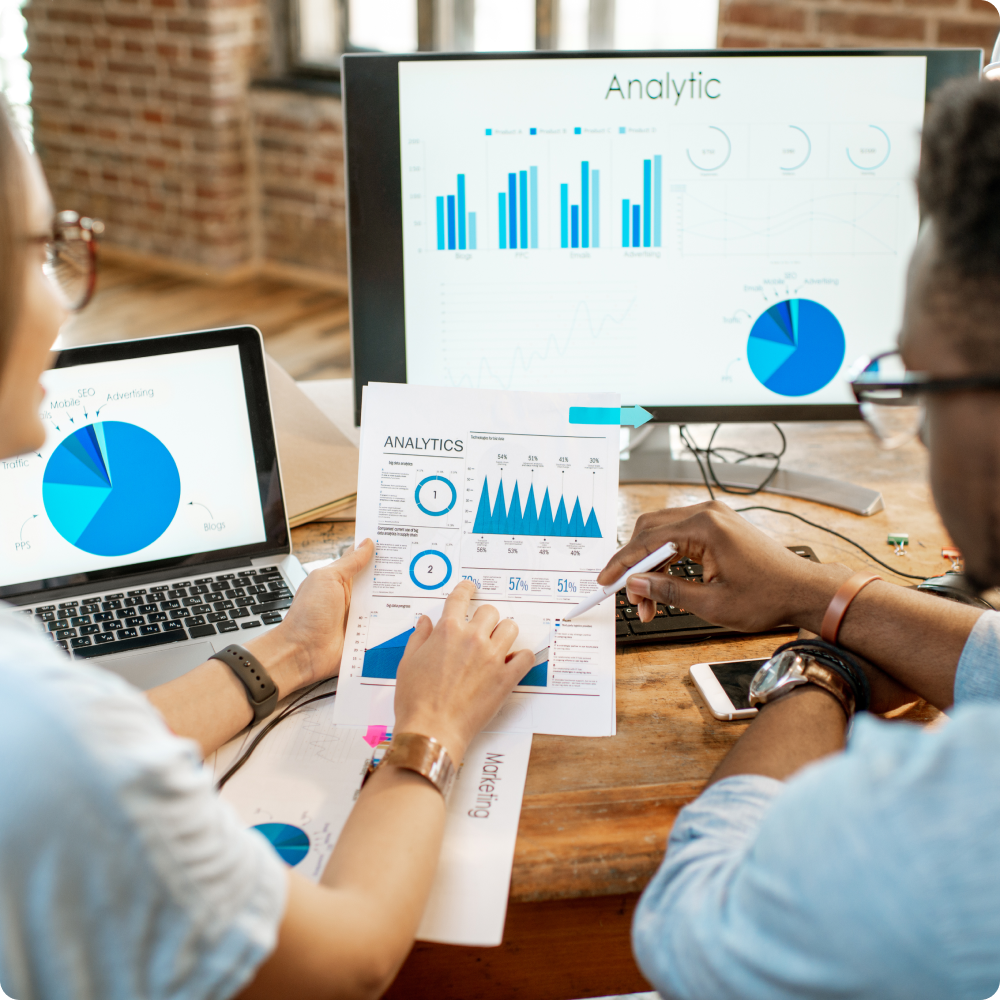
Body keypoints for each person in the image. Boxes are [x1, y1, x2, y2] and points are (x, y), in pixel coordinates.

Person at [0, 95, 535, 1000]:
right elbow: (348, 959)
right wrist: (432, 729)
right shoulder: (38, 722)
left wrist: (288, 653)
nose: (59, 298)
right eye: (43, 252)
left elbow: (92, 750)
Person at [598, 76, 1000, 1000]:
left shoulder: (940, 830)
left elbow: (692, 922)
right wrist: (821, 597)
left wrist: (817, 672)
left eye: (924, 386)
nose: (926, 436)